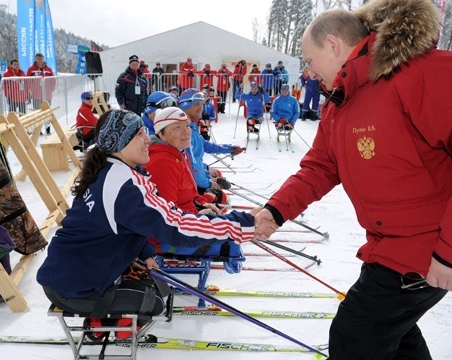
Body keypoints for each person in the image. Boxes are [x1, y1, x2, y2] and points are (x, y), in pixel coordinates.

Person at [254, 1, 452, 359]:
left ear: (333, 45)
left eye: (310, 62)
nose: (309, 74)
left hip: (425, 250)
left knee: (354, 335)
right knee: (391, 336)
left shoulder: (418, 74)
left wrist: (449, 253)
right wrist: (276, 210)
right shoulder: (339, 104)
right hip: (390, 247)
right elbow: (319, 167)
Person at [37, 109, 255, 337]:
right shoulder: (123, 185)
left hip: (67, 273)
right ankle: (106, 322)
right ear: (120, 142)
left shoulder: (110, 170)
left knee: (158, 287)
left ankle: (104, 315)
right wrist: (236, 225)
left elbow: (124, 224)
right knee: (156, 301)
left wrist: (146, 253)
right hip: (77, 284)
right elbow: (175, 225)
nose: (148, 139)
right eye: (139, 134)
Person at [144, 107, 221, 215]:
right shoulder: (161, 162)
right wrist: (197, 214)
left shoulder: (179, 153)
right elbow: (167, 214)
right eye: (177, 128)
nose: (186, 132)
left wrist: (201, 203)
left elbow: (189, 194)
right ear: (161, 134)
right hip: (180, 226)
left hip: (188, 217)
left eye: (187, 125)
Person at [179, 88, 244, 196]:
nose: (201, 108)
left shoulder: (192, 125)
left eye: (202, 104)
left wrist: (228, 148)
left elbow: (204, 145)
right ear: (185, 105)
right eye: (196, 104)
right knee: (221, 197)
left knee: (218, 176)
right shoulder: (185, 131)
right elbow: (191, 165)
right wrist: (209, 183)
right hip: (192, 184)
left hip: (197, 177)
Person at [27, 53, 56, 134]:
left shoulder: (48, 69)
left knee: (47, 112)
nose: (39, 60)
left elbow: (53, 80)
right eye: (38, 58)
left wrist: (51, 89)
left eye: (41, 58)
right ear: (36, 59)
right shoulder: (31, 69)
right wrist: (32, 89)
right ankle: (38, 130)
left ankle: (47, 129)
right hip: (36, 95)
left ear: (43, 59)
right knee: (37, 112)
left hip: (47, 95)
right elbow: (27, 80)